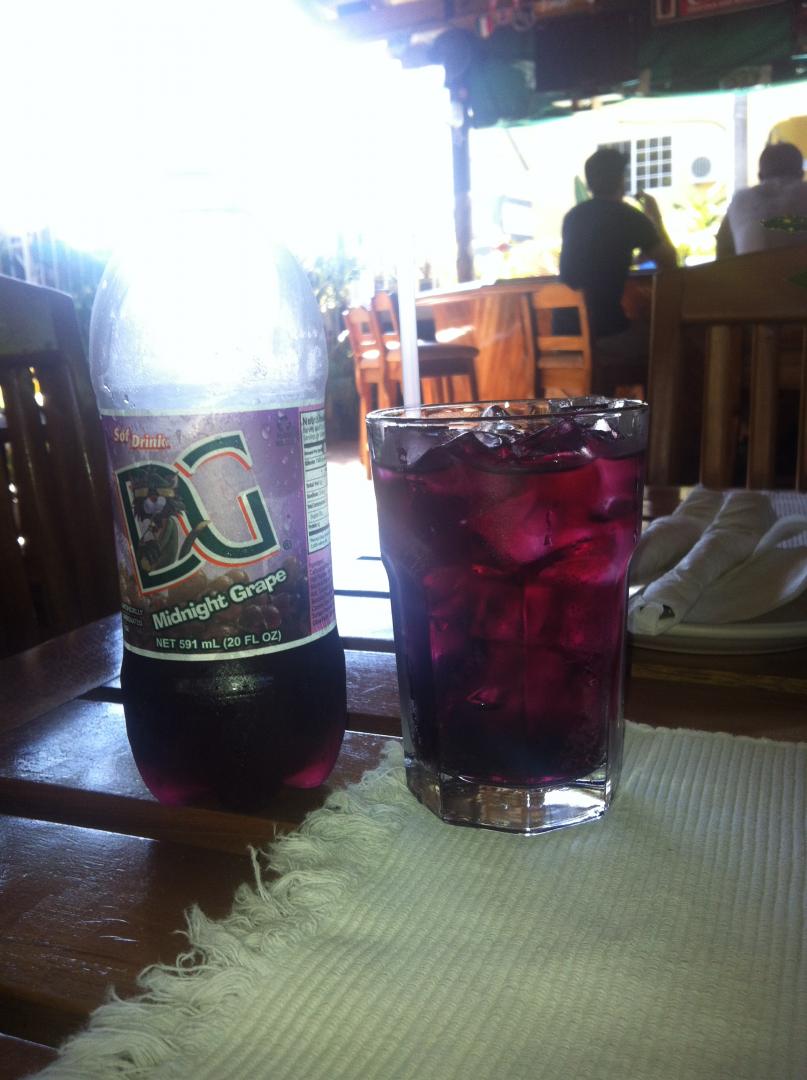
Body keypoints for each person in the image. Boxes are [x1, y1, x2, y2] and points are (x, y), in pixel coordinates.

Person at [559, 147, 677, 365]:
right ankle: (657, 389)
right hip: (604, 333)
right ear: (622, 180)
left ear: (589, 184)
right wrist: (655, 218)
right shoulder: (629, 217)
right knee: (665, 339)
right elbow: (670, 261)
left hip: (562, 333)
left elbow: (594, 260)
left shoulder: (572, 217)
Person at [716, 142, 807, 258]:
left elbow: (722, 254)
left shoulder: (741, 200)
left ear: (759, 176)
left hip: (753, 269)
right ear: (801, 174)